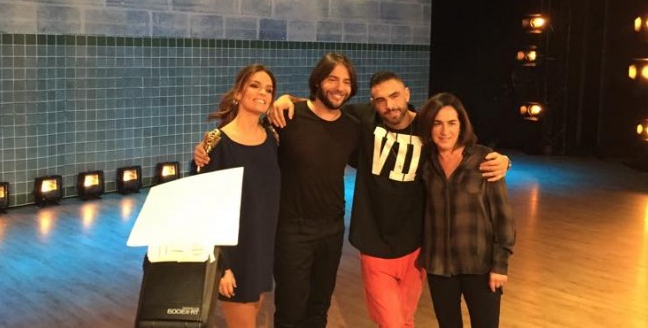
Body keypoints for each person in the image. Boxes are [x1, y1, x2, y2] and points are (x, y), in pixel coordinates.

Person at [270, 72, 510, 327]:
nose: (389, 105)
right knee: (393, 323)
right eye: (380, 100)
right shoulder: (364, 118)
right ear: (372, 103)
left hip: (415, 248)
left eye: (394, 96)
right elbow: (324, 106)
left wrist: (503, 161)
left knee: (405, 320)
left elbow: (459, 147)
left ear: (407, 94)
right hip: (374, 244)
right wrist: (287, 100)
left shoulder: (426, 128)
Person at [195, 53, 360, 328]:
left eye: (346, 81)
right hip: (290, 232)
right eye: (332, 79)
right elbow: (206, 203)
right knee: (289, 312)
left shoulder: (350, 126)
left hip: (329, 231)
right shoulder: (286, 121)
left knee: (318, 308)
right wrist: (222, 262)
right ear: (318, 81)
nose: (339, 87)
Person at [190, 64, 281, 328]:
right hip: (233, 254)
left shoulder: (272, 138)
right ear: (238, 93)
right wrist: (222, 265)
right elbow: (205, 208)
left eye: (269, 90)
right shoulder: (216, 141)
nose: (262, 93)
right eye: (255, 85)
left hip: (261, 249)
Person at [417, 92, 516, 328]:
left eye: (452, 123)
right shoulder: (425, 162)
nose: (445, 131)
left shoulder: (484, 159)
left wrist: (500, 265)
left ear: (462, 125)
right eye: (437, 123)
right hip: (439, 266)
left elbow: (503, 217)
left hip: (480, 266)